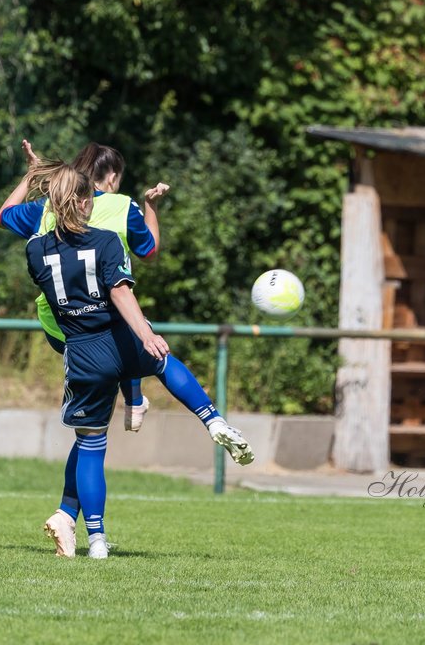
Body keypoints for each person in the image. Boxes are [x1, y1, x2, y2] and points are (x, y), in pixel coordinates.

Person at [22, 158, 254, 559]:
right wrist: (147, 334)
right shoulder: (106, 241)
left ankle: (96, 542)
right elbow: (120, 293)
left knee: (91, 446)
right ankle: (211, 418)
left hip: (82, 352)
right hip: (118, 339)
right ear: (79, 203)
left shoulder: (34, 250)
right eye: (89, 198)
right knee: (164, 363)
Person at [0, 140, 166, 431]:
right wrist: (151, 206)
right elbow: (149, 252)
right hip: (104, 321)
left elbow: (3, 215)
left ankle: (129, 402)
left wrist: (31, 175)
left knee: (89, 431)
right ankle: (135, 399)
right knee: (121, 326)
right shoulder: (123, 206)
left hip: (58, 324)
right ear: (112, 177)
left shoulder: (47, 206)